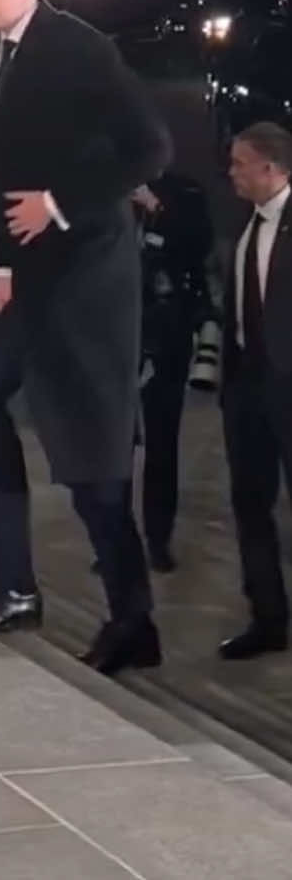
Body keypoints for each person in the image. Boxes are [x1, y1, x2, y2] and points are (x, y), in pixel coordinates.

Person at [0, 0, 171, 676]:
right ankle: (12, 583)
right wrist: (8, 259)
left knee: (94, 465)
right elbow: (2, 169)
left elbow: (149, 148)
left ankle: (132, 620)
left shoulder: (78, 48)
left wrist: (60, 205)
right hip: (38, 274)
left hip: (91, 276)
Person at [218, 122, 292, 662]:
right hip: (247, 388)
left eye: (240, 163)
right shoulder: (247, 223)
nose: (232, 172)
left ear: (270, 167)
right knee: (250, 503)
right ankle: (267, 619)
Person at [131, 172, 215, 572]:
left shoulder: (184, 191)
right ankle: (114, 538)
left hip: (168, 324)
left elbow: (199, 244)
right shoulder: (103, 185)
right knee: (113, 442)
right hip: (117, 327)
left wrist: (156, 209)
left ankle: (158, 537)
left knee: (163, 438)